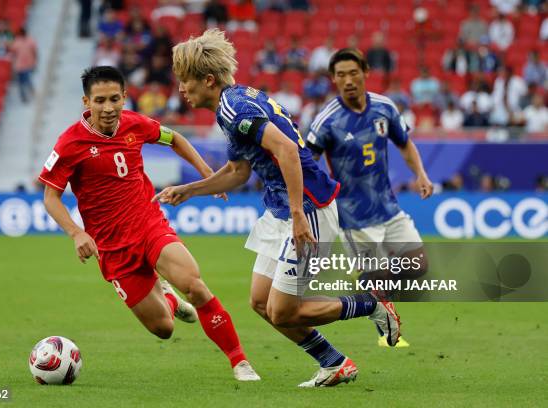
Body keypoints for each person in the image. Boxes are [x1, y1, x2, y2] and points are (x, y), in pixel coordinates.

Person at [155, 29, 401, 387]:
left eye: (185, 81)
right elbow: (238, 171)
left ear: (207, 80)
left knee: (282, 310)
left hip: (308, 208)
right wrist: (191, 190)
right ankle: (334, 363)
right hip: (281, 210)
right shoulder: (235, 105)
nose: (181, 89)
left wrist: (300, 216)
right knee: (260, 302)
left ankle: (371, 303)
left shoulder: (235, 108)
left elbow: (286, 150)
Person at [38, 66, 260, 382]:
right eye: (100, 100)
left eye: (115, 99)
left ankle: (240, 362)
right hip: (112, 249)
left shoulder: (135, 124)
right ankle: (167, 297)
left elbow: (175, 139)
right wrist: (76, 233)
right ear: (87, 102)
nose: (108, 108)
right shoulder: (69, 144)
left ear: (125, 97)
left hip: (148, 224)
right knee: (164, 328)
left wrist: (208, 175)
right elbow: (51, 197)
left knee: (194, 284)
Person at [305, 48, 433, 347]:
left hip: (388, 207)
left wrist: (421, 175)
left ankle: (368, 295)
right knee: (376, 275)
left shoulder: (385, 107)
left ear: (365, 73)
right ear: (333, 80)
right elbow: (306, 162)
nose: (348, 80)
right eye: (340, 75)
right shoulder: (327, 120)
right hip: (353, 216)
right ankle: (384, 324)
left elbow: (404, 143)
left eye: (353, 73)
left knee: (419, 264)